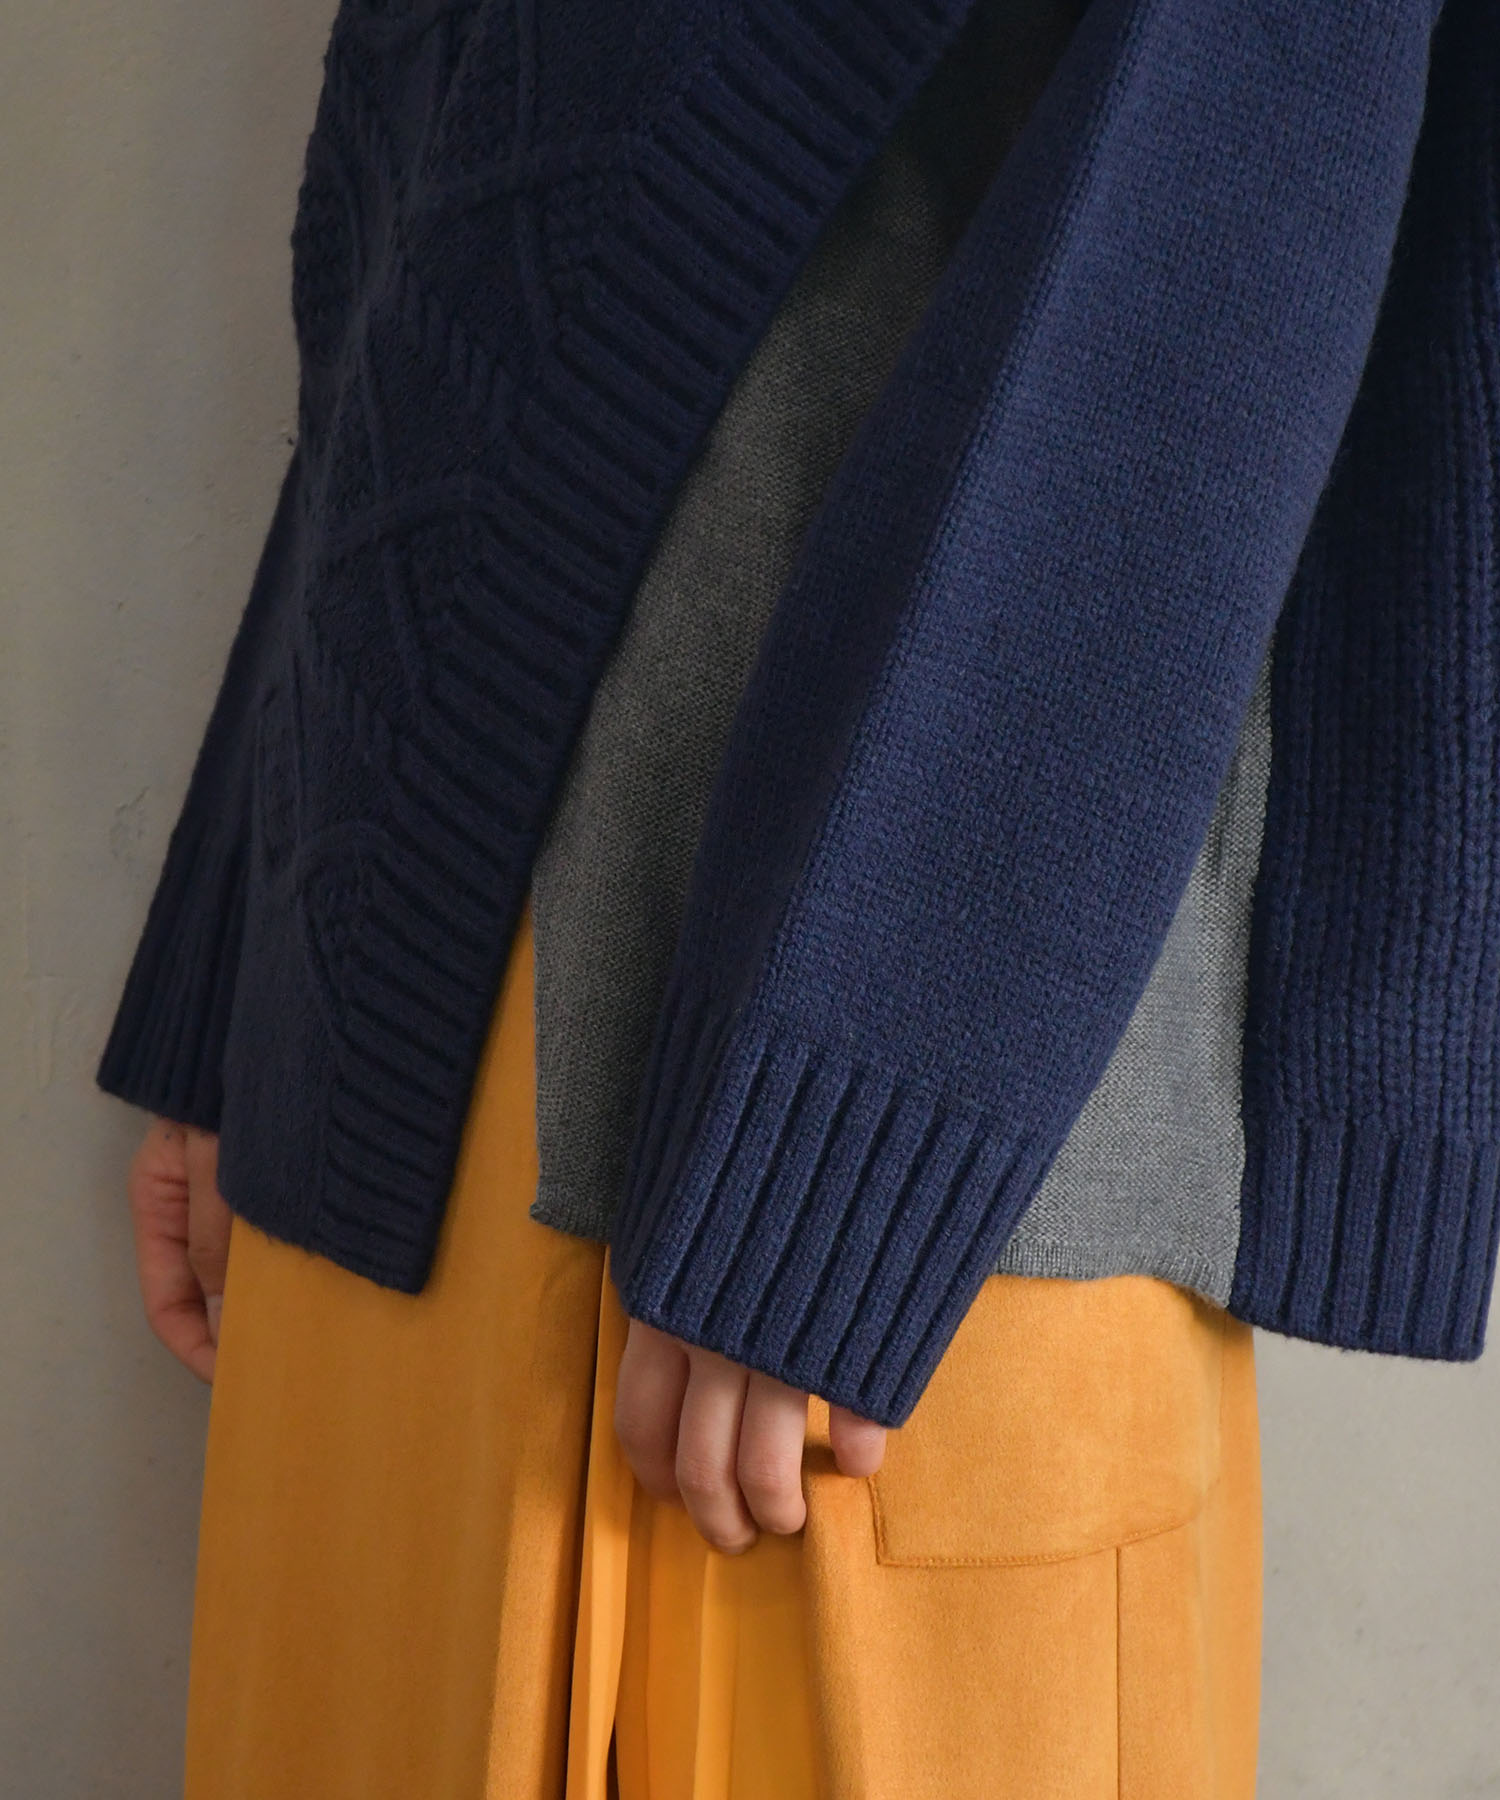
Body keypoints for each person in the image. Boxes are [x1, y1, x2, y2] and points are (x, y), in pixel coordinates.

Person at [100, 0, 1498, 1793]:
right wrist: (252, 936)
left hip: (913, 1143)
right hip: (393, 1086)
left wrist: (847, 1121)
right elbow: (437, 158)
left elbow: (1201, 267)